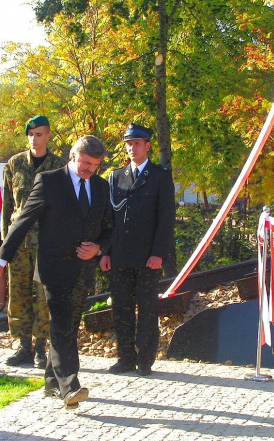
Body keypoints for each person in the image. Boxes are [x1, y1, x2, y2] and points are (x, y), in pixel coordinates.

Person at [0, 135, 113, 410]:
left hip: (83, 269)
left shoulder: (102, 187)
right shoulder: (48, 181)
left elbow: (110, 227)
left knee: (69, 323)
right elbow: (22, 222)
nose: (89, 169)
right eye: (85, 163)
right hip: (53, 267)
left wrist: (100, 247)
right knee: (60, 322)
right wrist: (1, 258)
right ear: (73, 156)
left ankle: (51, 382)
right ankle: (70, 385)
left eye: (95, 165)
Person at [100, 123, 176, 376]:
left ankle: (145, 359)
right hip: (120, 254)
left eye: (137, 143)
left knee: (147, 308)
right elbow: (109, 218)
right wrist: (106, 252)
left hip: (147, 256)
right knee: (121, 308)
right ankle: (126, 358)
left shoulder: (160, 175)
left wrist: (159, 253)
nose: (132, 148)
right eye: (128, 144)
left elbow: (166, 218)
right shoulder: (115, 176)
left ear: (147, 146)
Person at [1, 115, 66, 368]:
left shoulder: (59, 166)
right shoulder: (14, 164)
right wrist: (5, 241)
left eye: (39, 134)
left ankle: (41, 346)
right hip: (18, 242)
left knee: (42, 296)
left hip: (46, 242)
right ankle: (22, 345)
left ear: (48, 136)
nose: (34, 139)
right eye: (30, 134)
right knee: (17, 294)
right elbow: (8, 205)